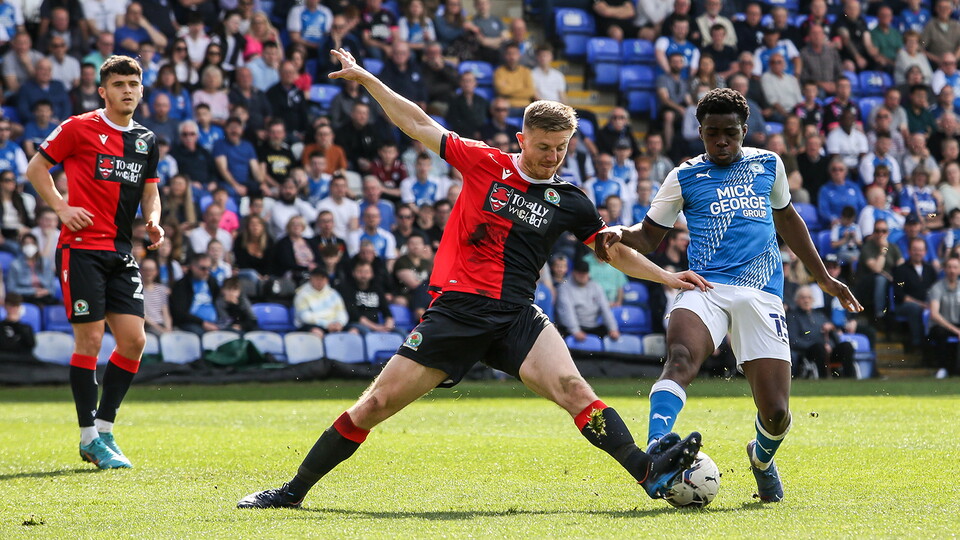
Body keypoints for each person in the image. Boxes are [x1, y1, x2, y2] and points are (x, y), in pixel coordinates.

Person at [238, 48, 707, 510]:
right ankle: (291, 492)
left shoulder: (572, 200)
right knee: (375, 404)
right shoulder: (485, 163)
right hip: (457, 311)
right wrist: (364, 79)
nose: (552, 157)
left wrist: (666, 277)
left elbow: (613, 250)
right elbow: (418, 123)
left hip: (517, 316)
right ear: (521, 139)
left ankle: (648, 474)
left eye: (561, 148)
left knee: (576, 391)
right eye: (543, 147)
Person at [595, 88, 863, 503]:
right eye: (712, 133)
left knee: (775, 413)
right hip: (704, 288)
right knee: (680, 358)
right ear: (700, 132)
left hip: (762, 294)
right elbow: (648, 236)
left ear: (744, 131)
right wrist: (619, 231)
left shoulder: (767, 164)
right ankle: (657, 451)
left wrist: (824, 278)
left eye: (730, 133)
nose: (722, 141)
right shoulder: (684, 175)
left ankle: (761, 459)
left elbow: (788, 219)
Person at [26, 55, 164, 469]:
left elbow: (150, 190)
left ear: (141, 90)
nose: (127, 90)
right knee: (88, 342)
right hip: (81, 249)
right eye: (118, 84)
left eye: (133, 84)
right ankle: (88, 438)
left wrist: (153, 221)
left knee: (134, 341)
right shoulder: (78, 127)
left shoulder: (146, 139)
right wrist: (62, 208)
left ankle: (104, 428)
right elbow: (37, 168)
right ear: (103, 91)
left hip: (121, 252)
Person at [787, 286, 856, 378]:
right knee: (819, 348)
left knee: (847, 346)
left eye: (809, 297)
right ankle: (823, 377)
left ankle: (849, 378)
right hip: (808, 352)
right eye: (803, 298)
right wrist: (816, 345)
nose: (806, 300)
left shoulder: (820, 315)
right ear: (797, 300)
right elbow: (793, 340)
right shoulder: (793, 317)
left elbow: (835, 337)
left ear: (813, 300)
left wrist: (831, 333)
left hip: (828, 350)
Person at [555, 260, 620, 341]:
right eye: (580, 273)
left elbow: (605, 309)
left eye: (585, 273)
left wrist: (613, 328)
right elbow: (567, 312)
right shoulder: (564, 288)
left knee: (610, 337)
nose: (582, 276)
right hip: (574, 327)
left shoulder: (596, 286)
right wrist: (576, 331)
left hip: (594, 326)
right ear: (573, 273)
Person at [170, 253, 220, 336]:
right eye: (203, 268)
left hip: (215, 322)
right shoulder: (182, 285)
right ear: (193, 267)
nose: (207, 272)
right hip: (192, 324)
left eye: (209, 268)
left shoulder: (212, 281)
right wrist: (202, 323)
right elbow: (179, 313)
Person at [927, 256, 960, 378]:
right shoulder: (937, 288)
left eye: (955, 267)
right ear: (945, 269)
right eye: (949, 267)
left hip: (957, 323)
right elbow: (934, 314)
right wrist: (956, 331)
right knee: (940, 333)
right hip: (941, 324)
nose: (952, 270)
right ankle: (943, 368)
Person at [293, 267, 348, 337]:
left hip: (333, 325)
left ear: (327, 280)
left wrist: (339, 323)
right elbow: (305, 317)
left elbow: (341, 312)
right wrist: (326, 324)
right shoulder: (301, 294)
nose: (319, 281)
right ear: (310, 279)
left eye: (322, 278)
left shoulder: (333, 293)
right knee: (317, 333)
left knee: (352, 331)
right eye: (316, 278)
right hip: (310, 325)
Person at [0, 293, 37, 362]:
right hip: (4, 361)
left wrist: (16, 324)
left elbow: (31, 344)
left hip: (23, 362)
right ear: (5, 306)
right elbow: (4, 345)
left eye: (16, 306)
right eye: (11, 306)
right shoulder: (1, 327)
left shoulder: (26, 327)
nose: (13, 309)